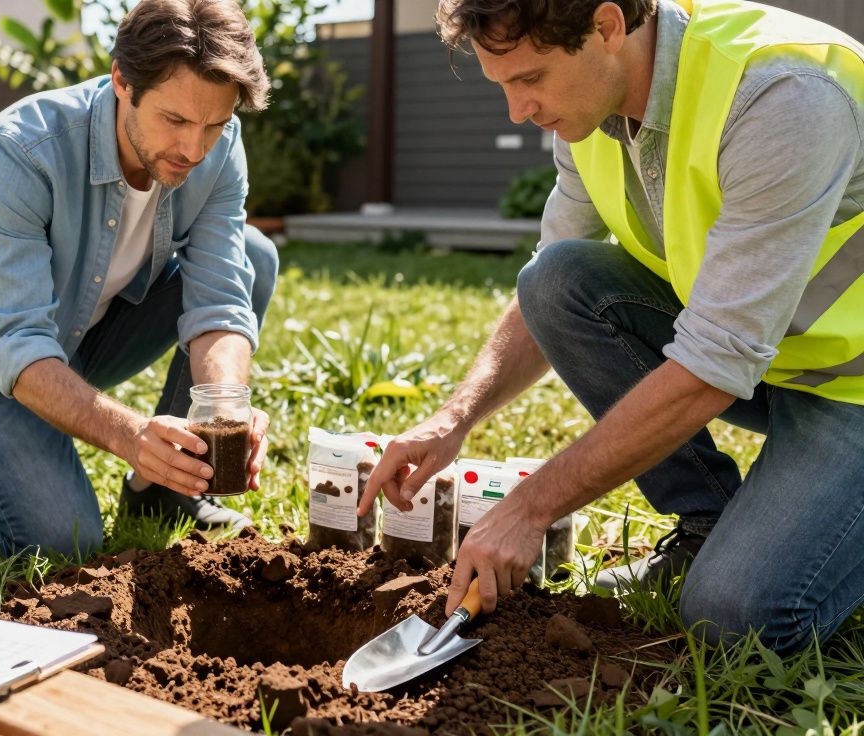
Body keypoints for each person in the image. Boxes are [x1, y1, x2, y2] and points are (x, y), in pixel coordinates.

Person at [362, 0, 864, 654]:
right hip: (774, 360)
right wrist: (453, 419)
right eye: (504, 83)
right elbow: (548, 284)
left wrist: (529, 507)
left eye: (530, 79)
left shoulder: (781, 95)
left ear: (605, 26)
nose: (519, 110)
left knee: (735, 618)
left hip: (849, 386)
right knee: (558, 279)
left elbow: (713, 364)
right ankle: (707, 521)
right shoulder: (592, 110)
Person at [0, 0, 277, 557]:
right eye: (175, 120)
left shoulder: (217, 149)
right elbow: (17, 344)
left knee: (255, 256)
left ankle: (162, 490)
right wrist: (132, 436)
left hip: (87, 341)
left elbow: (220, 296)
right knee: (65, 542)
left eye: (214, 125)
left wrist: (224, 405)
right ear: (122, 81)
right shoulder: (20, 150)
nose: (194, 149)